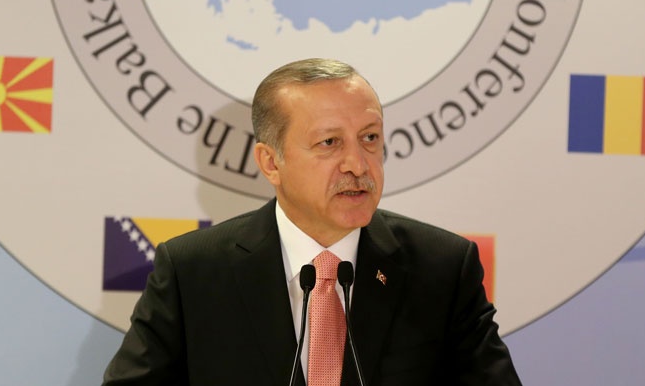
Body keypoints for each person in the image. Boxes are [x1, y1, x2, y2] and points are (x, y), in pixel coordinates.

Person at [102, 58, 522, 385]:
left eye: (370, 138)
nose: (358, 164)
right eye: (329, 142)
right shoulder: (192, 272)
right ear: (271, 162)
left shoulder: (442, 269)